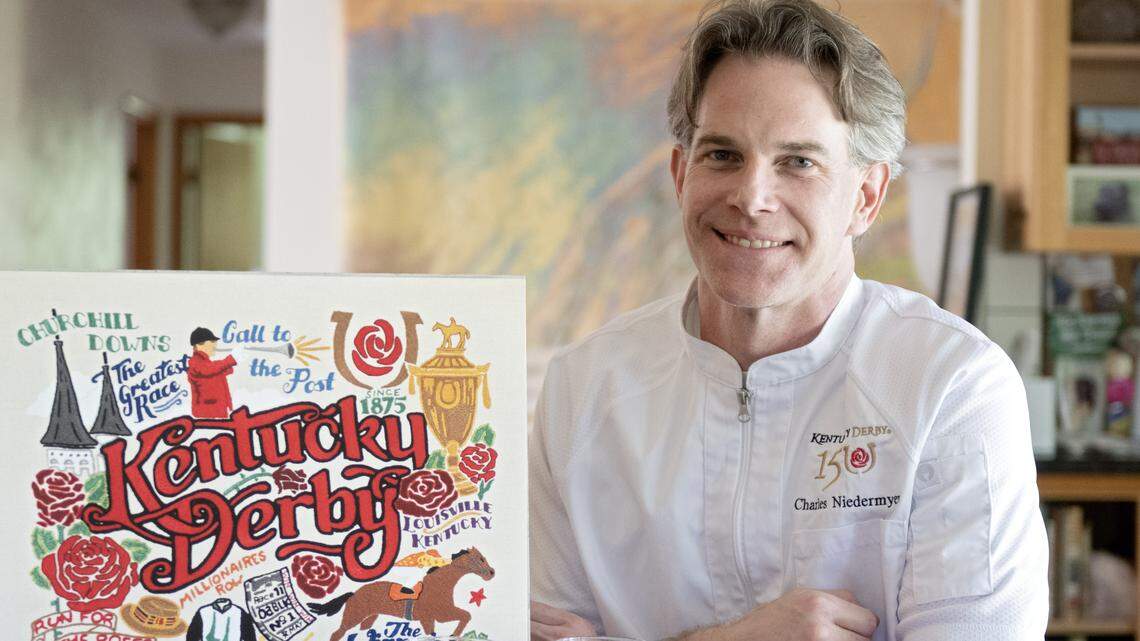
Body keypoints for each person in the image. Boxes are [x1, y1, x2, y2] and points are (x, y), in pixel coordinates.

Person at [529, 1, 1049, 640]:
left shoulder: (952, 387)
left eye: (798, 161)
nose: (751, 197)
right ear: (679, 174)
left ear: (866, 196)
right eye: (722, 154)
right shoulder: (582, 391)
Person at [187, 326, 238, 419]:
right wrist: (232, 359)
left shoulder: (206, 364)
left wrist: (232, 362)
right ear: (199, 345)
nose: (215, 345)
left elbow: (217, 369)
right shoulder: (196, 362)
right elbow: (209, 369)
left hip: (216, 412)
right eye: (211, 342)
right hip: (206, 414)